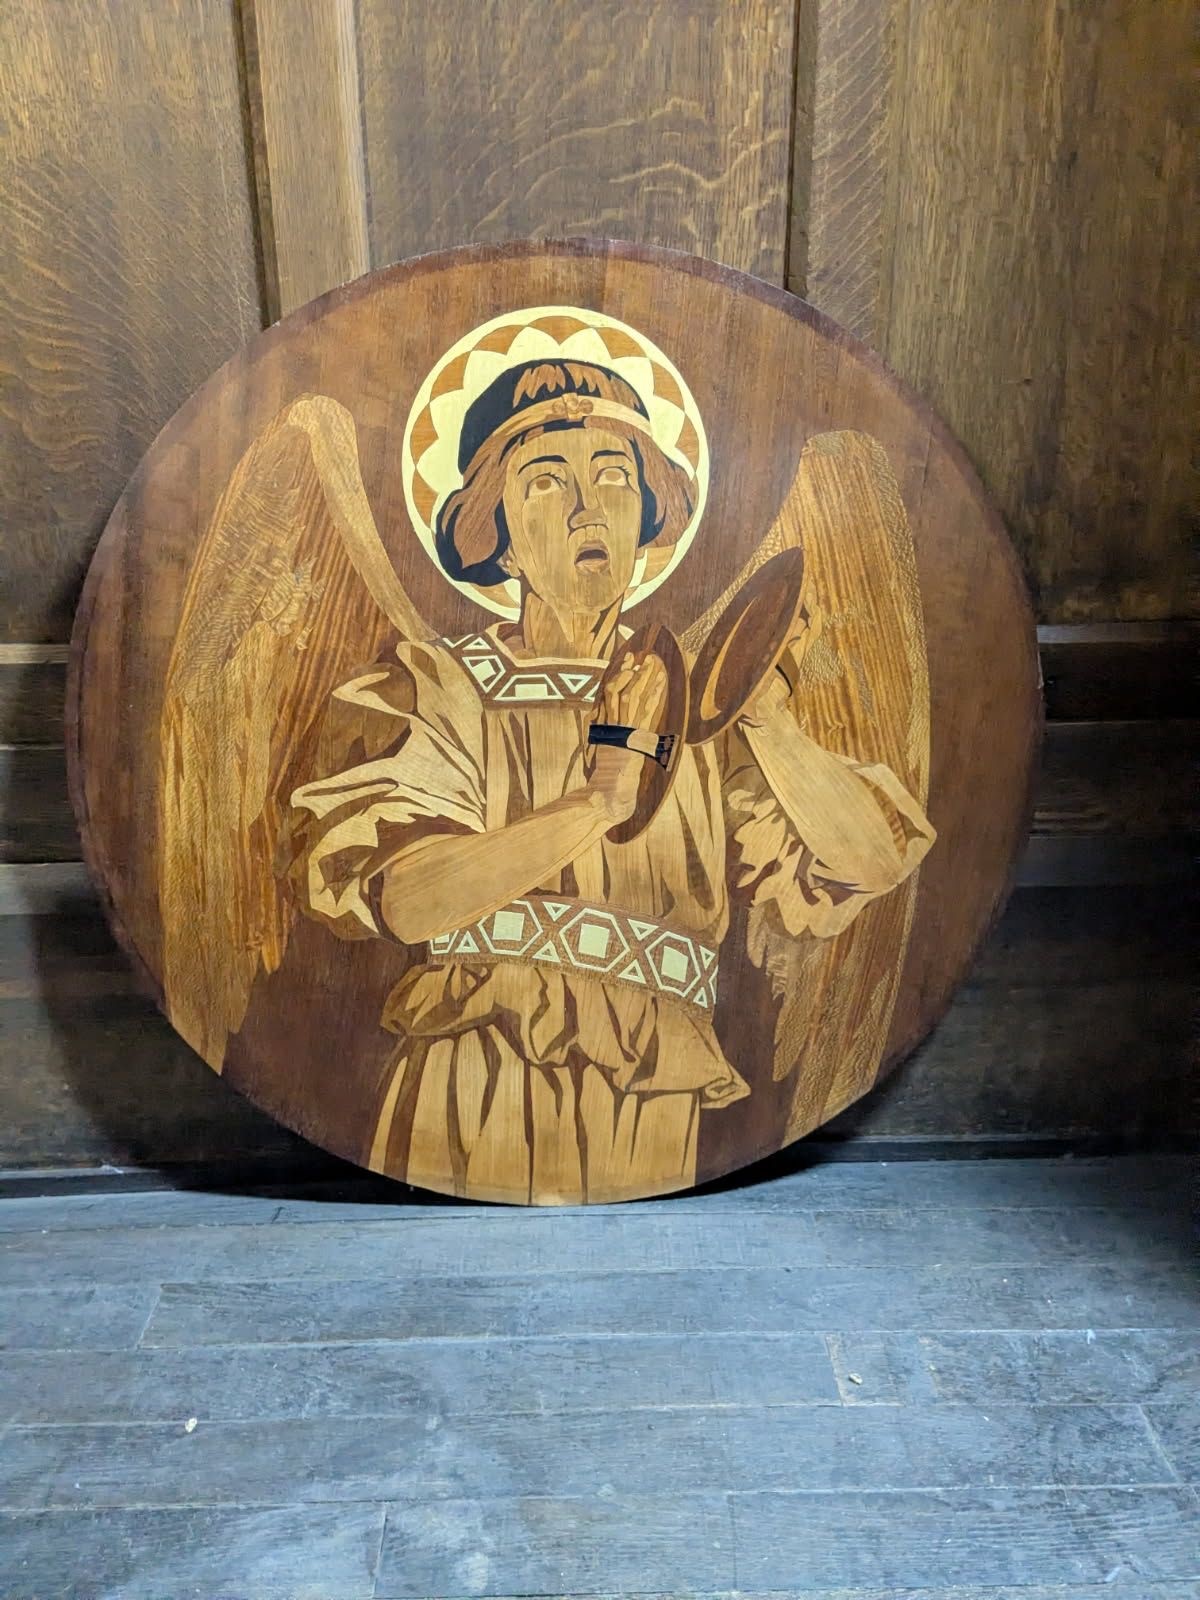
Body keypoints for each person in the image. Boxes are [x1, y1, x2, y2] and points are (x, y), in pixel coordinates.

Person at [288, 359, 934, 1203]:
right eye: (546, 482)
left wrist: (767, 717)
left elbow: (871, 862)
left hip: (660, 1083)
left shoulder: (694, 699)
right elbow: (408, 900)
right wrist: (598, 799)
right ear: (498, 534)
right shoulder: (438, 686)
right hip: (480, 1067)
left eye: (615, 477)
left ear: (649, 515)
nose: (588, 508)